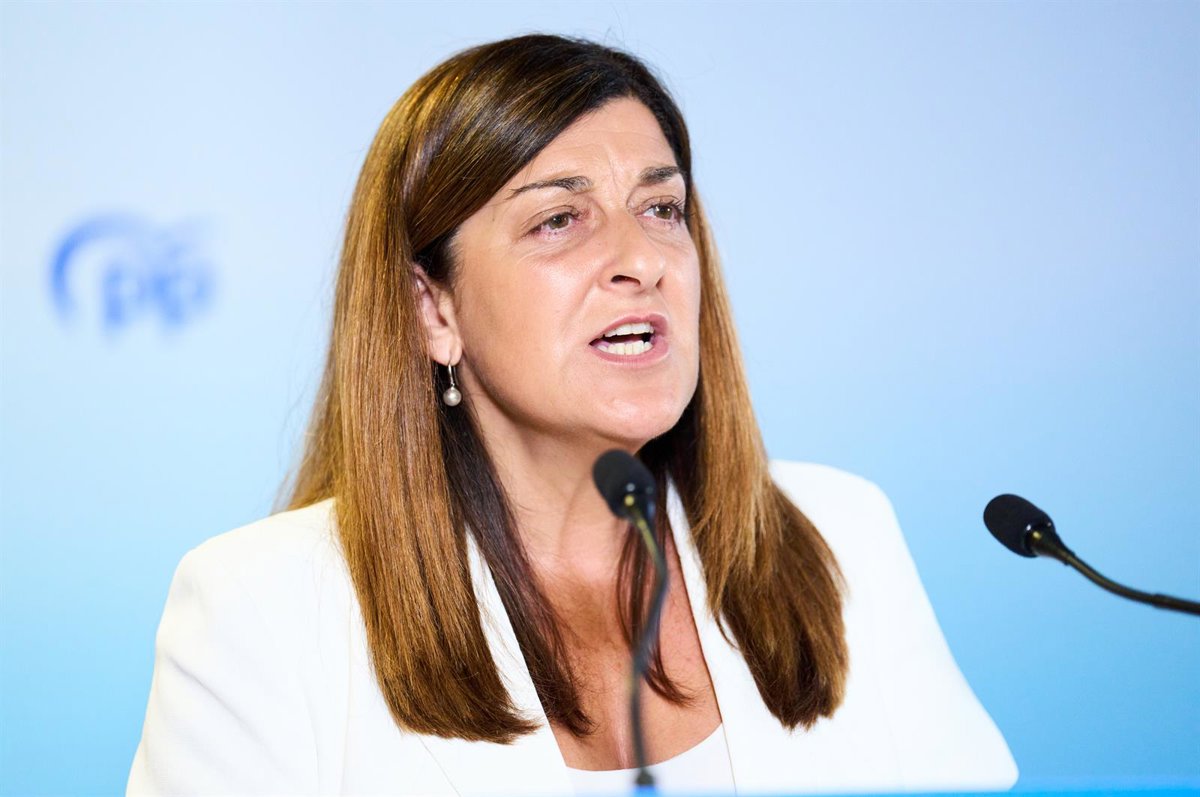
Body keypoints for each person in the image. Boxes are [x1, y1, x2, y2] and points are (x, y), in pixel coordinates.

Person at [127, 34, 1017, 796]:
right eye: (559, 219)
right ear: (432, 310)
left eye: (661, 208)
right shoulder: (262, 610)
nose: (642, 258)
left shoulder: (841, 532)